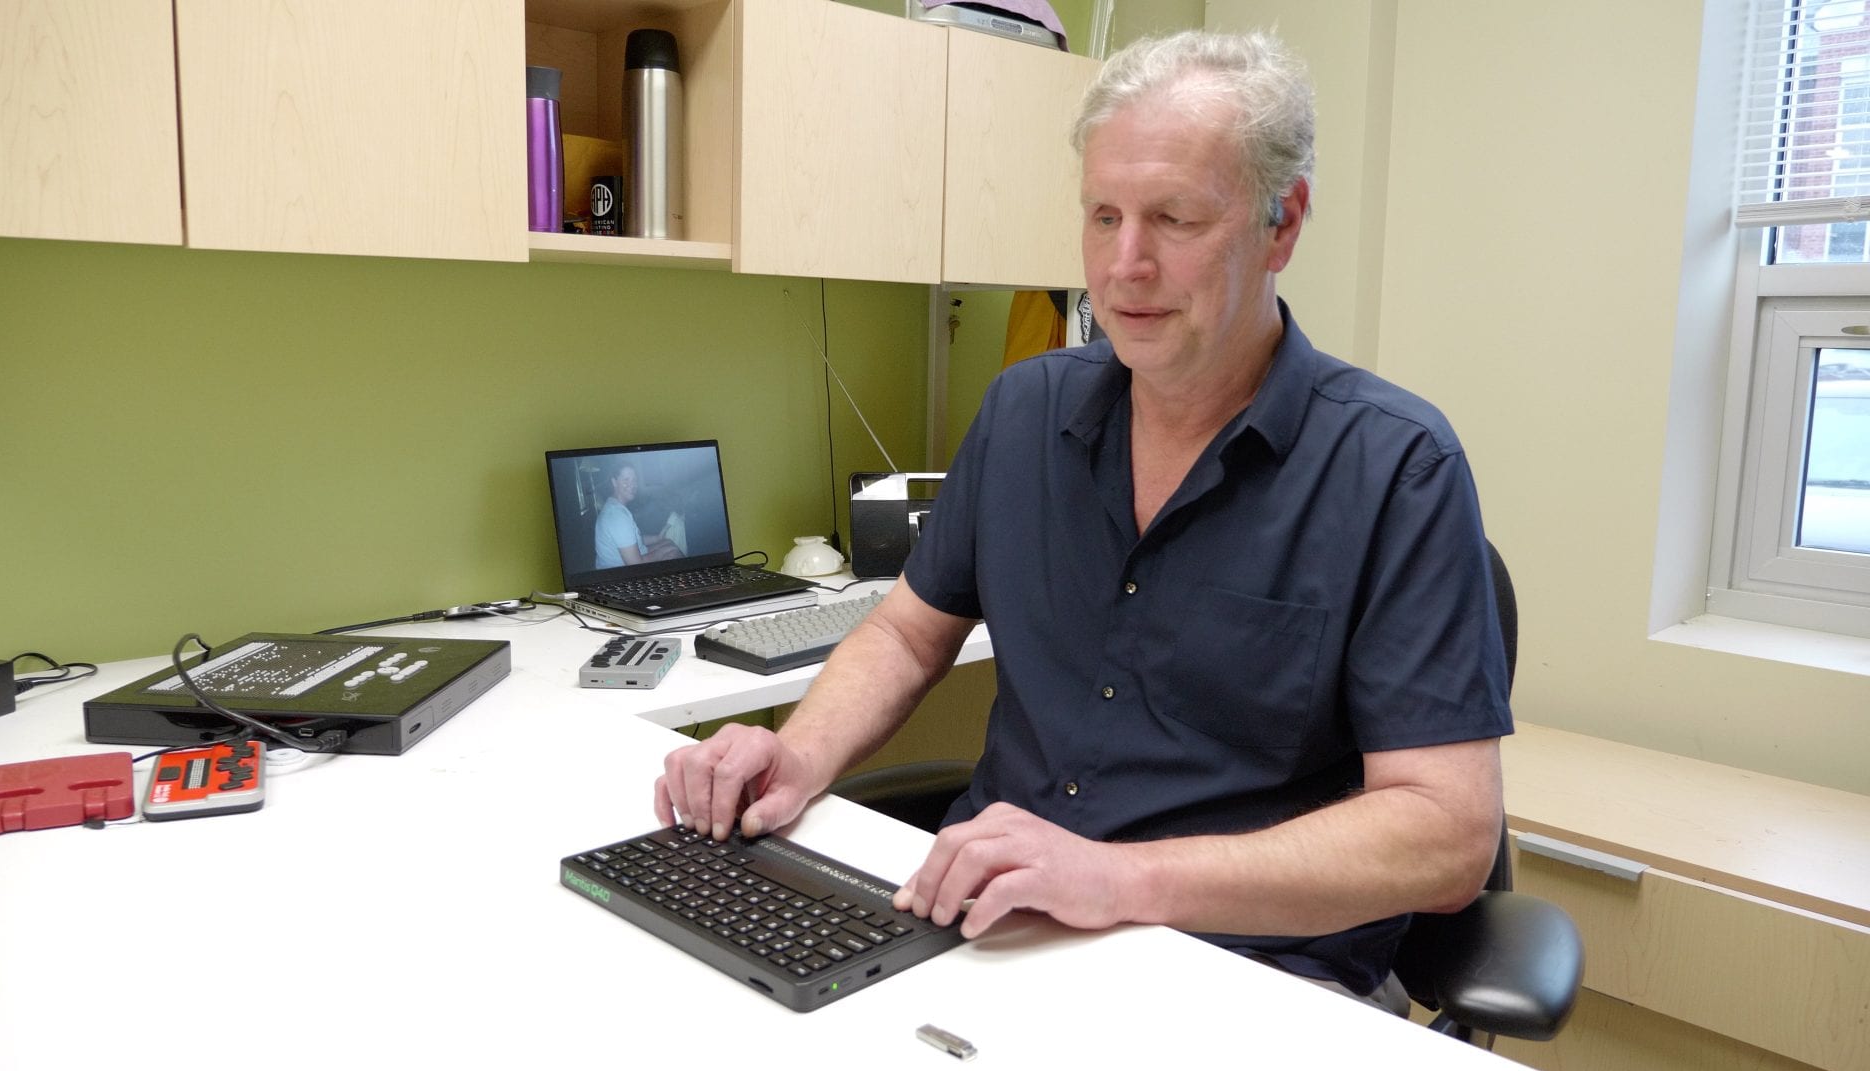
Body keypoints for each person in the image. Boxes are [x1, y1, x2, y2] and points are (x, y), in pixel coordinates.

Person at [653, 29, 1512, 1010]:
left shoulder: (1397, 469)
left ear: (1284, 223)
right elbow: (905, 631)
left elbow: (1446, 836)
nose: (1125, 265)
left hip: (1241, 979)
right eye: (1103, 217)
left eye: (1174, 219)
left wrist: (1121, 881)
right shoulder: (1023, 412)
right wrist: (795, 757)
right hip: (985, 932)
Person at [594, 463, 684, 569]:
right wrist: (662, 553)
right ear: (614, 482)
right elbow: (635, 564)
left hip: (632, 556)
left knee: (668, 542)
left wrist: (657, 538)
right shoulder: (617, 517)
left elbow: (634, 540)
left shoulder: (615, 506)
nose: (632, 485)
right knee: (673, 552)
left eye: (634, 480)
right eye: (626, 480)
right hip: (618, 572)